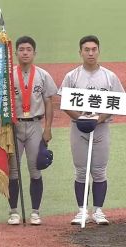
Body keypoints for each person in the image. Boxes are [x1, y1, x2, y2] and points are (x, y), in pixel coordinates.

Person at [59, 35, 124, 225]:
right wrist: (81, 119)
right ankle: (82, 211)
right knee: (81, 171)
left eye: (94, 49)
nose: (90, 53)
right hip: (78, 129)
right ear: (80, 52)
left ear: (98, 51)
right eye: (86, 49)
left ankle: (98, 211)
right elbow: (64, 102)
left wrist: (98, 119)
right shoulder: (72, 76)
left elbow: (118, 102)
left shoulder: (109, 76)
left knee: (99, 171)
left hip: (102, 129)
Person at [6, 36, 57, 226]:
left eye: (28, 49)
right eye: (21, 49)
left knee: (35, 169)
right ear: (16, 53)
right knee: (13, 170)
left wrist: (48, 128)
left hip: (35, 125)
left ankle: (35, 211)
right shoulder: (9, 75)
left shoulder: (43, 75)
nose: (25, 52)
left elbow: (48, 102)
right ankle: (13, 211)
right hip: (14, 126)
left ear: (34, 53)